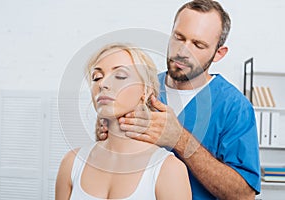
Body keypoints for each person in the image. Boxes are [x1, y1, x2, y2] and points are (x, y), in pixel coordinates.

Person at [98, 0, 261, 199]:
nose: (182, 52)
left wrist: (180, 140)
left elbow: (243, 195)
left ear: (219, 53)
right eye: (179, 37)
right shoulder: (141, 88)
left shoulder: (234, 108)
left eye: (198, 45)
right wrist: (104, 135)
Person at [55, 43, 192, 200]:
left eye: (120, 76)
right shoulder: (72, 163)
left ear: (146, 91)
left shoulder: (169, 170)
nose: (103, 84)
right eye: (96, 77)